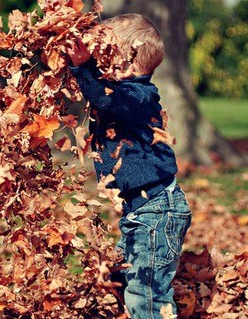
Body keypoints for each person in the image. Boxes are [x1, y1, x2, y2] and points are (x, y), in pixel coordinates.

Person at [68, 13, 192, 319]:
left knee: (146, 293)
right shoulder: (124, 92)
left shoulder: (138, 95)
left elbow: (107, 101)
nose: (99, 62)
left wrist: (82, 68)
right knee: (122, 274)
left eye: (107, 55)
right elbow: (101, 92)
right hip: (140, 212)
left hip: (157, 212)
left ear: (130, 64)